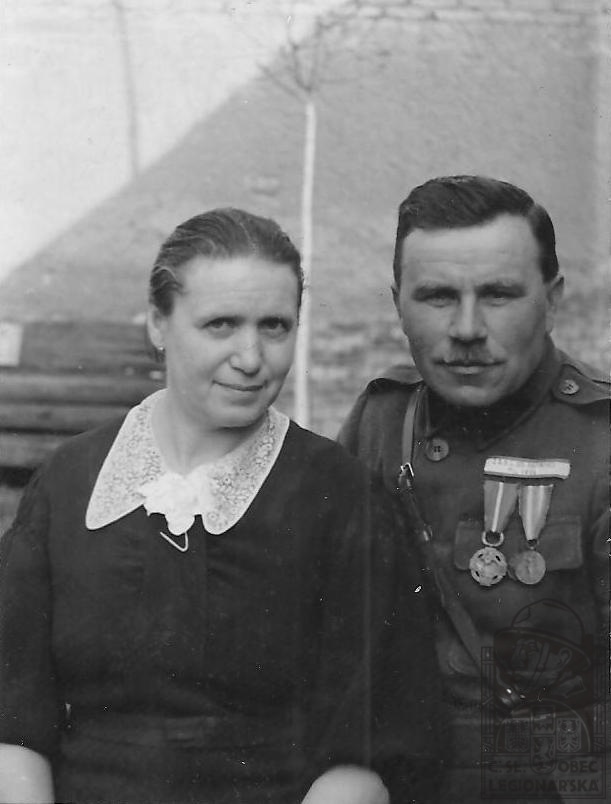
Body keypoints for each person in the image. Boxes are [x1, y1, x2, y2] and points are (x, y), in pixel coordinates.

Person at [0, 208, 442, 804]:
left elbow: (363, 761)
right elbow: (13, 730)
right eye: (220, 325)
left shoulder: (342, 498)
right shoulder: (68, 484)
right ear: (158, 323)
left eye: (275, 327)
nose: (251, 357)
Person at [338, 176, 609, 802]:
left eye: (498, 294)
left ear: (552, 300)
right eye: (436, 296)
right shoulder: (382, 420)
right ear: (397, 304)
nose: (466, 328)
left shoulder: (601, 443)